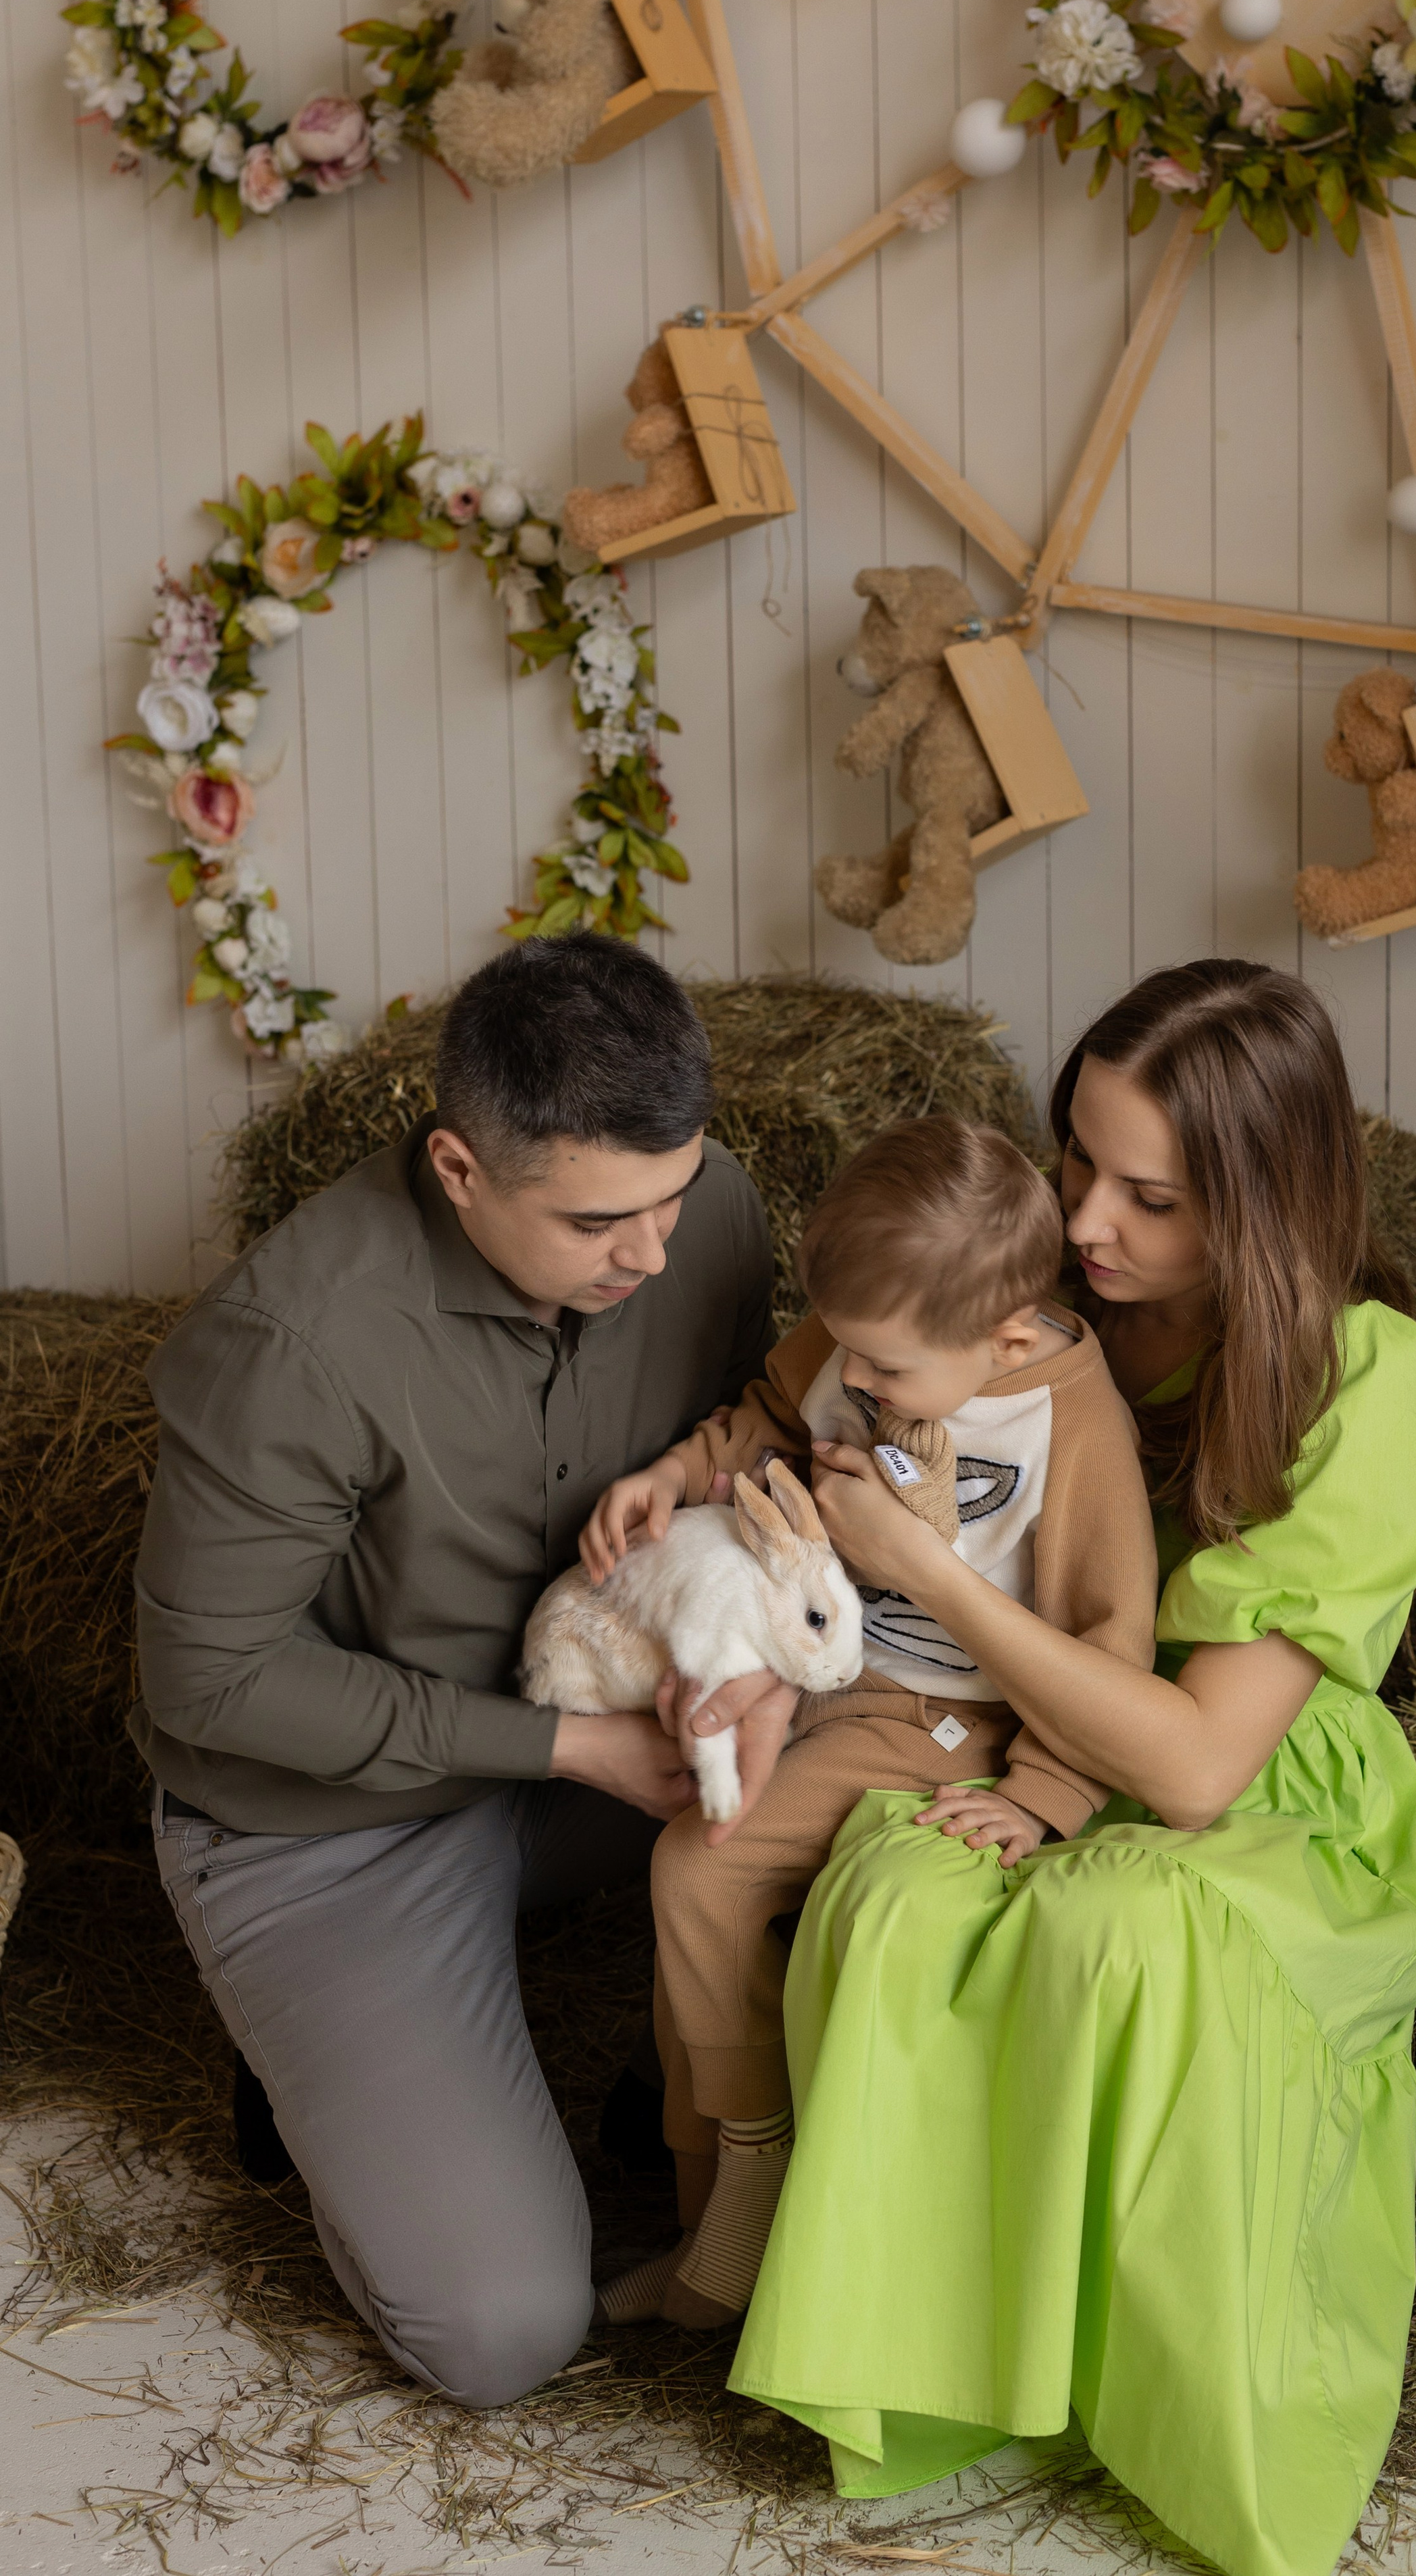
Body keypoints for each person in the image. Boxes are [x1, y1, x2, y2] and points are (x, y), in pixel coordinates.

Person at [726, 960, 1416, 2576]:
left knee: (1117, 1926)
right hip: (1003, 1726)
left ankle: (1155, 2407)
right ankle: (942, 2379)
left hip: (1251, 1778)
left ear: (1262, 1202)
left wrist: (930, 1573)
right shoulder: (1017, 1290)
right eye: (1075, 1161)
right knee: (900, 1901)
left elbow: (1194, 1769)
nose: (1088, 1220)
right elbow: (804, 1385)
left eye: (1151, 1197)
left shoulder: (1366, 1374)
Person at [133, 936, 788, 2409]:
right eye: (599, 1221)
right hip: (326, 1820)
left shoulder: (709, 1212)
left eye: (676, 1194)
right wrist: (570, 1751)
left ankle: (669, 2074)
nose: (654, 1254)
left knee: (886, 1731)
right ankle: (317, 2056)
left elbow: (745, 1458)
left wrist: (752, 1681)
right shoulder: (288, 1340)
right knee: (502, 2333)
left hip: (602, 1727)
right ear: (458, 1168)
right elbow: (212, 1687)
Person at [582, 1117, 1157, 2328]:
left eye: (886, 1369)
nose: (857, 1378)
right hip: (818, 1660)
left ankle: (752, 2169)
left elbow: (1109, 1635)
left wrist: (1043, 1794)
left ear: (1007, 1336)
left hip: (942, 1711)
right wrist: (676, 1478)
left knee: (701, 1865)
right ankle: (701, 2223)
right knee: (678, 1838)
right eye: (843, 1346)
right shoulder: (872, 1331)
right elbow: (767, 1414)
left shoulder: (1070, 1423)